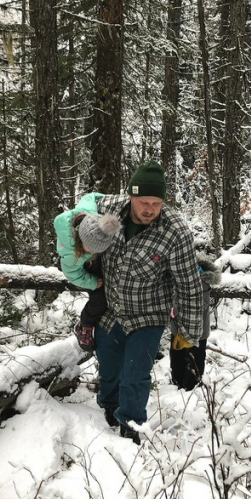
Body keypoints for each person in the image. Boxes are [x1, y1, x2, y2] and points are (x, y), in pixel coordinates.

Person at [94, 160, 204, 444]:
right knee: (108, 367)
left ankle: (132, 427)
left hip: (149, 314)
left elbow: (189, 284)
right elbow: (77, 213)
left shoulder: (175, 230)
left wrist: (189, 333)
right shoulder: (107, 208)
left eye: (156, 203)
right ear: (130, 195)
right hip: (112, 309)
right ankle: (108, 406)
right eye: (143, 201)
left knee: (135, 375)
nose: (149, 209)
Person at [54, 193, 122, 352]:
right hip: (84, 265)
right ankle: (85, 326)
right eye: (92, 249)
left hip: (90, 256)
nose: (95, 251)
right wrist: (91, 281)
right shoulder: (72, 254)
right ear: (81, 239)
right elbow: (72, 274)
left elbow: (91, 197)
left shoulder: (88, 212)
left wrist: (106, 198)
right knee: (100, 297)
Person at [170, 253, 220, 390]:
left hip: (197, 330)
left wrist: (177, 309)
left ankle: (191, 388)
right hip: (178, 327)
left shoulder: (202, 278)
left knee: (195, 362)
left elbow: (201, 304)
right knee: (177, 360)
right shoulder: (176, 273)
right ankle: (177, 385)